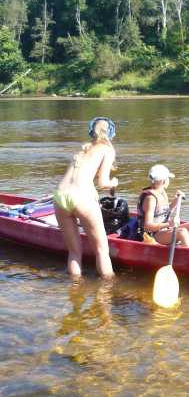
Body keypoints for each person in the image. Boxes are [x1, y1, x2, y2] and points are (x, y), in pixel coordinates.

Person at [53, 117, 118, 280]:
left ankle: (75, 291)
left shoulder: (83, 149)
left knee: (74, 252)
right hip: (82, 197)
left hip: (60, 196)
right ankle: (108, 289)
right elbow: (103, 183)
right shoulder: (107, 149)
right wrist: (113, 183)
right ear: (110, 133)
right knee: (102, 250)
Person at [137, 164, 189, 248]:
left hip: (162, 231)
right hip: (151, 235)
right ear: (164, 181)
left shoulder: (162, 193)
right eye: (168, 178)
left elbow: (163, 214)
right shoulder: (150, 198)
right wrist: (169, 224)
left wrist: (176, 201)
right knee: (182, 232)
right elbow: (147, 226)